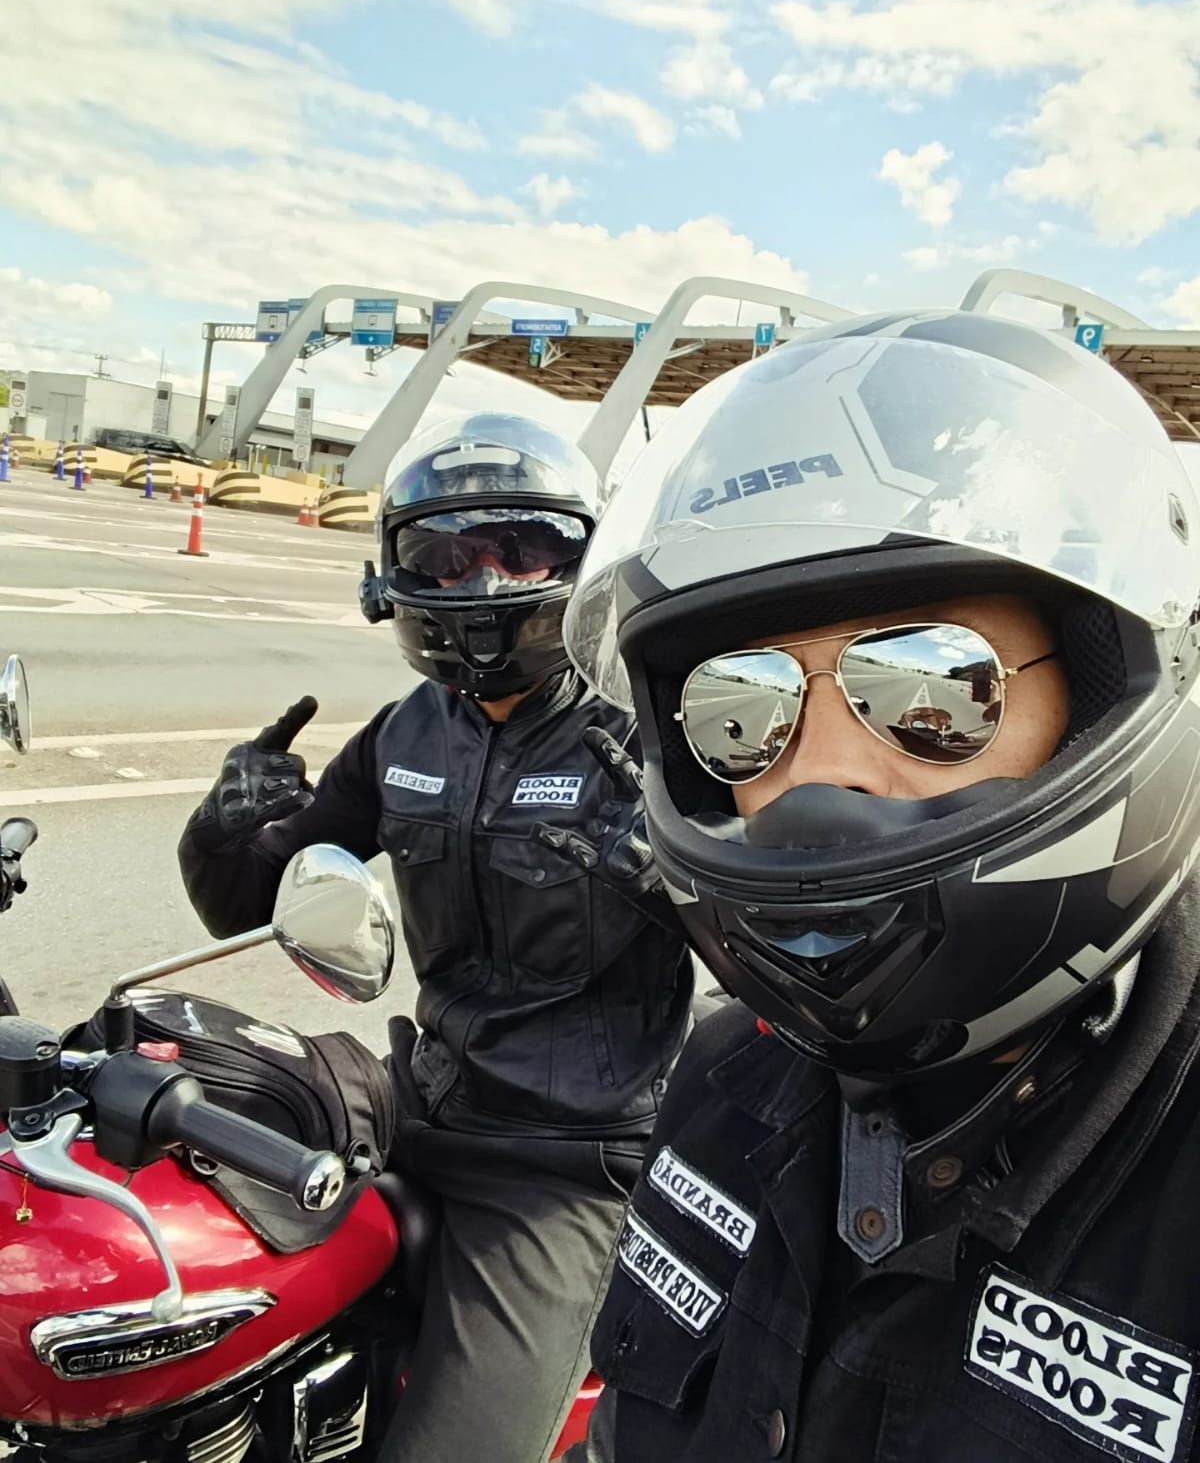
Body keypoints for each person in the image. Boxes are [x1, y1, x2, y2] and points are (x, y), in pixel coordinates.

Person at [560, 311, 1200, 1463]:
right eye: (739, 708)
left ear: (1103, 688)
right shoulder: (718, 1081)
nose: (820, 776)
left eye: (930, 686)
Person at [178, 411, 692, 1463]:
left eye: (521, 549)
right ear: (396, 578)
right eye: (447, 557)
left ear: (581, 563)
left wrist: (685, 882)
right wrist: (220, 831)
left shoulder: (648, 735)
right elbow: (254, 902)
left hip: (563, 1162)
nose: (483, 582)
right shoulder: (405, 733)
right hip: (414, 1097)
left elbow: (788, 965)